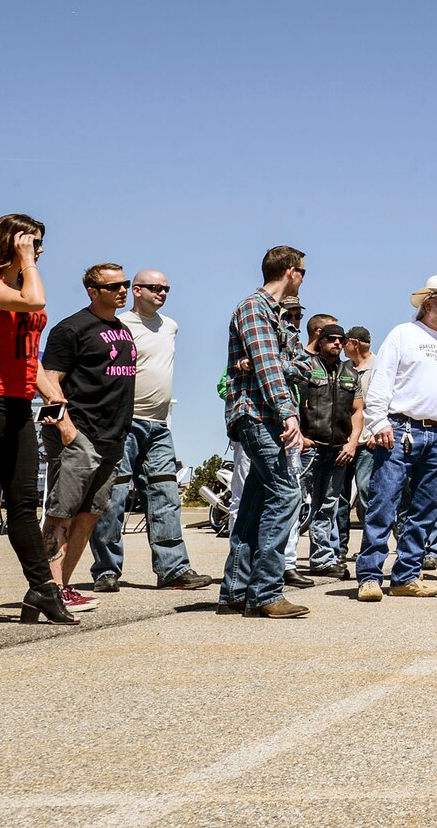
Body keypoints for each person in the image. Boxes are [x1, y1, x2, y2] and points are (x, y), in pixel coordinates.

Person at [356, 275, 437, 602]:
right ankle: (369, 576)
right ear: (428, 303)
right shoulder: (403, 334)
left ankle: (406, 575)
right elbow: (382, 381)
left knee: (426, 508)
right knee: (384, 503)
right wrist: (377, 420)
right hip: (399, 428)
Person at [89, 269, 210, 593]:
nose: (162, 293)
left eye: (166, 288)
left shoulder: (170, 326)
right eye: (155, 288)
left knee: (166, 496)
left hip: (159, 426)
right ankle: (106, 570)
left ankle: (173, 569)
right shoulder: (119, 326)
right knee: (113, 498)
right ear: (137, 291)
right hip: (124, 424)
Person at [36, 264, 138, 613]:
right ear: (93, 292)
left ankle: (63, 586)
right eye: (114, 286)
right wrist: (65, 428)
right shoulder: (71, 329)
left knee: (90, 514)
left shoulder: (121, 330)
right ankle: (47, 589)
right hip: (80, 433)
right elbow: (49, 380)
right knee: (61, 513)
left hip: (112, 437)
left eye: (125, 284)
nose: (123, 290)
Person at [218, 246, 311, 619]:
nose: (304, 277)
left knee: (256, 503)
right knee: (287, 493)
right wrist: (288, 413)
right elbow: (269, 367)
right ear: (291, 271)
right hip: (258, 415)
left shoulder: (279, 317)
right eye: (303, 271)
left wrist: (276, 363)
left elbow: (305, 367)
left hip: (266, 415)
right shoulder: (253, 308)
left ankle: (236, 592)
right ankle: (266, 592)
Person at [291, 317, 361, 580]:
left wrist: (352, 442)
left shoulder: (350, 372)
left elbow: (358, 411)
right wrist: (299, 435)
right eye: (330, 339)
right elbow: (292, 401)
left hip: (338, 450)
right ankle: (286, 562)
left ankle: (321, 560)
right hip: (309, 448)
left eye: (340, 340)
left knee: (327, 507)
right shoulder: (306, 367)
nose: (336, 344)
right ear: (319, 342)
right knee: (295, 504)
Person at [345, 325, 376, 523]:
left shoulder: (380, 367)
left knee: (366, 489)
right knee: (340, 493)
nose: (340, 346)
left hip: (368, 440)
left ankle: (369, 541)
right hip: (344, 440)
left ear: (354, 344)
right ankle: (339, 547)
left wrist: (375, 431)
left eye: (345, 342)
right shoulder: (344, 368)